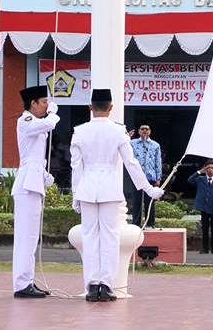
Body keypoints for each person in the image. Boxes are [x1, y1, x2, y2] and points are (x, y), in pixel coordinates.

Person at [70, 89, 164, 302]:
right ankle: (106, 285)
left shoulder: (79, 131)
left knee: (90, 237)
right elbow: (131, 164)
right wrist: (148, 189)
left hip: (87, 188)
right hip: (110, 188)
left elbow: (76, 167)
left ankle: (92, 286)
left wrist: (75, 195)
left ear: (90, 107)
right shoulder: (118, 131)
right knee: (110, 238)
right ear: (111, 108)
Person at [12, 85, 59, 299]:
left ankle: (27, 280)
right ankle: (22, 284)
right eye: (43, 102)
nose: (46, 106)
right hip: (26, 185)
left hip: (34, 181)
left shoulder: (36, 124)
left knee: (31, 238)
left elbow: (36, 156)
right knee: (25, 237)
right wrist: (54, 114)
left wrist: (44, 174)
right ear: (33, 103)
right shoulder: (26, 121)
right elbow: (47, 124)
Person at [188, 160, 213, 254]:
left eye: (212, 168)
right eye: (208, 168)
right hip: (204, 207)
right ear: (205, 169)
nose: (210, 170)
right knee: (204, 229)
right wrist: (199, 172)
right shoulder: (200, 179)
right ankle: (204, 248)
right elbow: (190, 180)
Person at [128, 124, 162, 228]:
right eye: (142, 129)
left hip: (150, 176)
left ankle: (150, 223)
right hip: (137, 175)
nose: (144, 131)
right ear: (139, 131)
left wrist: (158, 177)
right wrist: (127, 138)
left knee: (150, 200)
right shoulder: (132, 143)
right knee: (137, 200)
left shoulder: (155, 145)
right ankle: (136, 223)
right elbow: (125, 150)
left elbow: (158, 161)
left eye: (146, 129)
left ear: (150, 131)